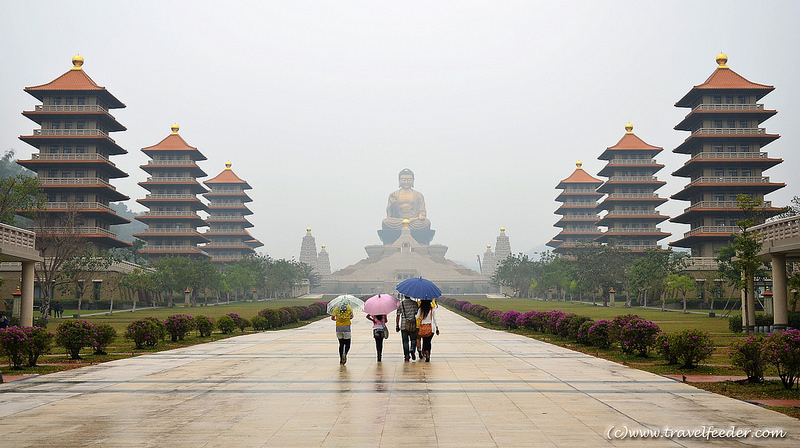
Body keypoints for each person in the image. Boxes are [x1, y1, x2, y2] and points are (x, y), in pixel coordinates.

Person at [395, 295, 419, 361]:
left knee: (405, 341)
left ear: (404, 295)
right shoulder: (415, 303)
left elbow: (398, 315)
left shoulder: (401, 304)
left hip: (404, 325)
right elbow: (417, 313)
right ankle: (412, 349)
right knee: (413, 339)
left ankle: (406, 356)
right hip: (412, 324)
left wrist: (397, 325)